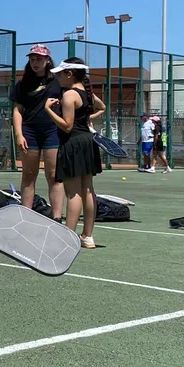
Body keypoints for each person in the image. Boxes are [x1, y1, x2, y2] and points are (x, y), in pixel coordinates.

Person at [45, 58, 105, 250]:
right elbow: (102, 107)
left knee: (74, 193)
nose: (57, 77)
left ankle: (67, 237)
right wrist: (87, 120)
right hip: (87, 142)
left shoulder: (69, 94)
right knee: (88, 190)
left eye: (60, 74)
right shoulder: (87, 93)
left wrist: (48, 111)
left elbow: (67, 126)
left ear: (69, 74)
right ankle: (87, 236)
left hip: (74, 143)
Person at [10, 44, 64, 220]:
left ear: (47, 60)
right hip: (29, 132)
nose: (35, 62)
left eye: (39, 59)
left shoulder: (58, 82)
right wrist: (19, 134)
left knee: (54, 175)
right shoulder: (23, 84)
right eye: (32, 59)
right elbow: (17, 110)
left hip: (52, 131)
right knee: (29, 174)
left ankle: (56, 218)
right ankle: (26, 216)